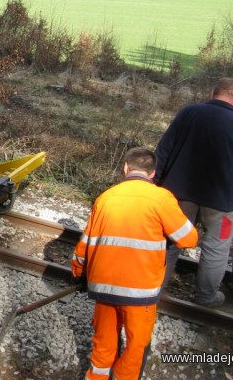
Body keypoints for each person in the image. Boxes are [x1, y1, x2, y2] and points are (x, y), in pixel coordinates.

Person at [72, 147, 197, 380]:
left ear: (126, 168)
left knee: (103, 345)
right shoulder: (162, 198)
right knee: (135, 346)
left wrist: (78, 272)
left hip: (103, 288)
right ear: (153, 173)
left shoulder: (105, 197)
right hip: (140, 292)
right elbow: (189, 239)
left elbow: (85, 244)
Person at [156, 77, 233, 308]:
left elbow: (163, 150)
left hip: (179, 196)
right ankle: (206, 297)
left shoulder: (188, 113)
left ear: (213, 93)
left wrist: (156, 183)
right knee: (216, 247)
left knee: (171, 241)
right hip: (220, 203)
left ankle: (155, 287)